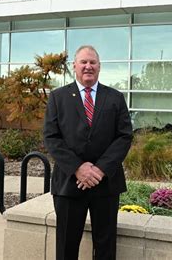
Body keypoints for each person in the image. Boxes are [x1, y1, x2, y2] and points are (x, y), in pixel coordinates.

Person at [43, 45, 133, 260]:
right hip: (69, 183)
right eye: (83, 62)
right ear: (74, 66)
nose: (88, 66)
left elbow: (124, 136)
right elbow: (51, 137)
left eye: (93, 62)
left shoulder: (115, 97)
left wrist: (100, 170)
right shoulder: (58, 97)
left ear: (99, 67)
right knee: (66, 247)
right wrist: (78, 168)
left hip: (106, 184)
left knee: (105, 246)